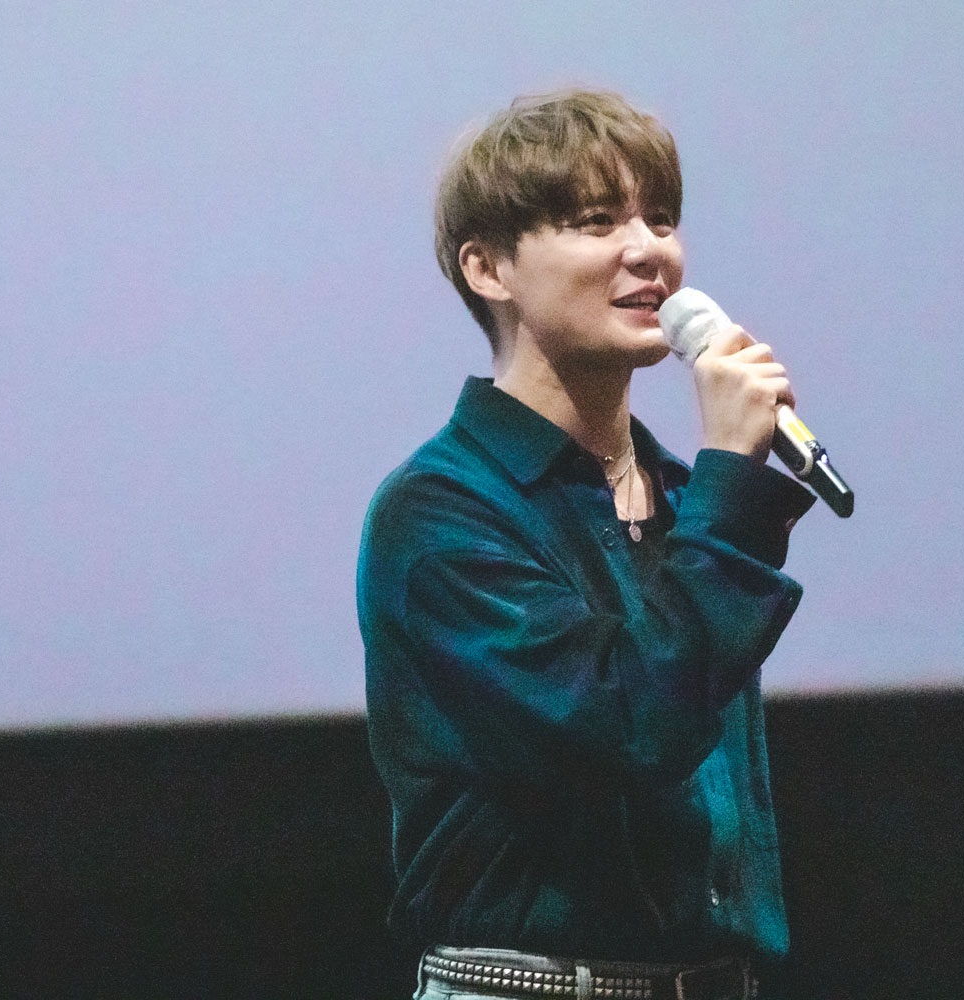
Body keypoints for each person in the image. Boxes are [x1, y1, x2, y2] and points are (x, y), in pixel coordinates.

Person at [358, 89, 816, 1000]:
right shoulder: (441, 512)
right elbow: (629, 724)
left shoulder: (682, 497)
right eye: (598, 222)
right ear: (488, 268)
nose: (649, 251)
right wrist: (732, 477)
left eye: (661, 218)